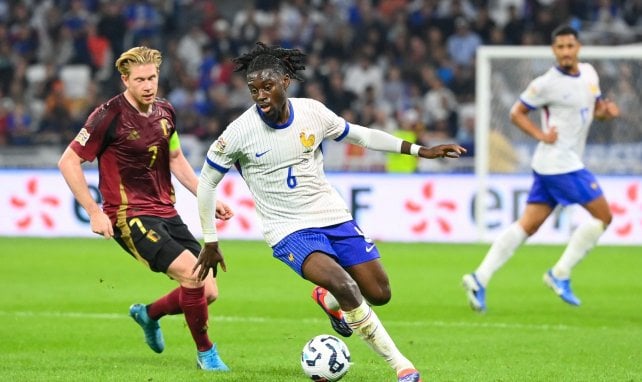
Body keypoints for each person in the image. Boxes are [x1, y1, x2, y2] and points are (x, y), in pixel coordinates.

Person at [193, 42, 466, 382]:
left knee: (380, 294)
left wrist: (419, 150)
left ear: (286, 81)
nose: (260, 95)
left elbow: (360, 136)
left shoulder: (312, 112)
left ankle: (329, 301)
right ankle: (402, 366)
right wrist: (210, 239)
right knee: (346, 285)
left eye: (268, 86)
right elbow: (206, 183)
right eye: (254, 90)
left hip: (332, 214)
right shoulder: (238, 133)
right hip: (288, 230)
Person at [57, 46, 234, 371]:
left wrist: (205, 196)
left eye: (152, 77)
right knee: (193, 277)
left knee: (208, 291)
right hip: (129, 216)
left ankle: (148, 314)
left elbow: (176, 159)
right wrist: (95, 211)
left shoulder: (166, 111)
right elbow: (68, 161)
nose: (148, 85)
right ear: (125, 79)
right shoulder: (107, 115)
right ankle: (206, 353)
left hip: (167, 211)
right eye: (140, 79)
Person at [462, 25, 620, 312]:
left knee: (528, 225)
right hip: (560, 163)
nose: (565, 52)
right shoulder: (545, 83)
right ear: (553, 51)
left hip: (554, 164)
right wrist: (540, 135)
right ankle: (559, 274)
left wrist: (606, 114)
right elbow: (516, 113)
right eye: (559, 47)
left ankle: (479, 277)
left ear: (578, 48)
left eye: (569, 46)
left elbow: (594, 109)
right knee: (604, 216)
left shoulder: (589, 74)